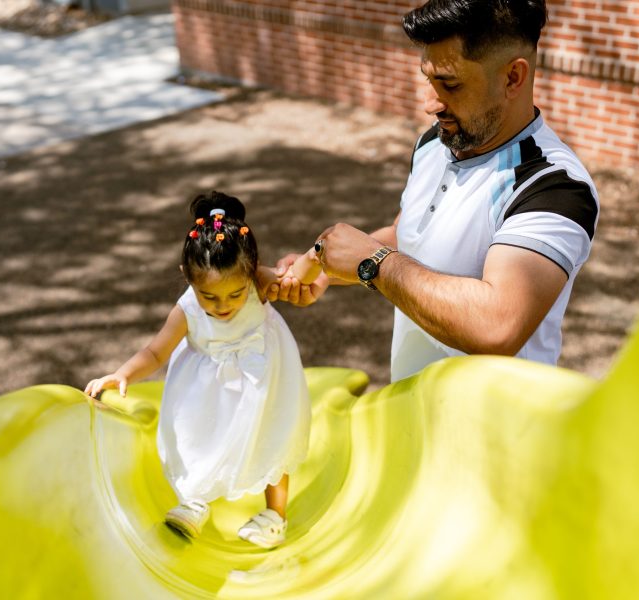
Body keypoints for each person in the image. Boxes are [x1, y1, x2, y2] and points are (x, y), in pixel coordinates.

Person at [269, 0, 599, 382]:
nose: (430, 103)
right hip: (416, 420)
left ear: (513, 78)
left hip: (498, 437)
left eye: (450, 84)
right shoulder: (436, 142)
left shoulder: (552, 185)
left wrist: (372, 263)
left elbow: (497, 326)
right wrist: (327, 264)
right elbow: (406, 235)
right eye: (428, 79)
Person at [84, 191, 317, 549]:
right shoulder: (188, 309)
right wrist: (123, 373)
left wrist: (304, 276)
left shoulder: (257, 280)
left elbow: (295, 281)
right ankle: (194, 500)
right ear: (188, 278)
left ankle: (275, 515)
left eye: (235, 295)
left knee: (272, 436)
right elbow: (155, 350)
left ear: (252, 272)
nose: (223, 305)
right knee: (196, 436)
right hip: (207, 384)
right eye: (210, 297)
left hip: (262, 375)